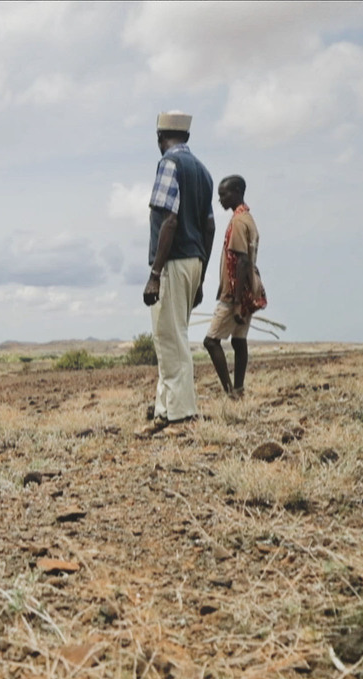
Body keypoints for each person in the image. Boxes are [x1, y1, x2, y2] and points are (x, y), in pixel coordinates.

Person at [140, 111, 215, 436]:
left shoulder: (168, 164)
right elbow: (209, 226)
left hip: (172, 262)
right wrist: (202, 273)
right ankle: (164, 412)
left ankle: (182, 416)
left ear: (161, 138)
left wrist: (155, 272)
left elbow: (168, 219)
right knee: (171, 335)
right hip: (194, 262)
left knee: (170, 339)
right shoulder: (203, 171)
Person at [202, 175, 265, 399]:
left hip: (235, 294)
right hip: (249, 289)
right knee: (239, 340)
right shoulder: (248, 218)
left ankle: (230, 392)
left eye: (224, 194)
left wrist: (237, 302)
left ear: (237, 191)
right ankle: (239, 390)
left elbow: (241, 260)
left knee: (211, 341)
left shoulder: (238, 222)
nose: (220, 199)